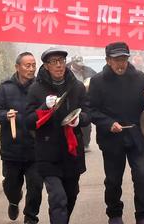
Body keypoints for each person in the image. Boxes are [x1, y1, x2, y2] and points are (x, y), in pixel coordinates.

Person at [88, 41, 144, 224]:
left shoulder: (140, 78)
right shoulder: (97, 81)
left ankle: (143, 216)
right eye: (116, 60)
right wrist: (108, 123)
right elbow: (90, 110)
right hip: (112, 138)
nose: (121, 64)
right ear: (108, 60)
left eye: (124, 59)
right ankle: (114, 214)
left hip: (137, 136)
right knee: (113, 179)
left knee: (142, 175)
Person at [25, 46, 90, 224]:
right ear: (46, 66)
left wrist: (79, 119)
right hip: (48, 152)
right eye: (54, 62)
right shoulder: (36, 89)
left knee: (71, 195)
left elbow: (88, 113)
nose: (59, 65)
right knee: (58, 198)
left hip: (71, 150)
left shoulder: (76, 87)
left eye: (61, 61)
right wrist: (43, 107)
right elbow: (28, 121)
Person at [0, 52, 43, 224]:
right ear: (17, 67)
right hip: (12, 149)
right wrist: (5, 115)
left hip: (36, 148)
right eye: (27, 65)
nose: (31, 68)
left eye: (33, 65)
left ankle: (31, 217)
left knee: (35, 185)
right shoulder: (5, 88)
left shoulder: (40, 87)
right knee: (12, 185)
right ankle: (13, 200)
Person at [68, 55, 97, 151]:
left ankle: (86, 143)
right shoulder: (66, 69)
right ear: (72, 63)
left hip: (84, 97)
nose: (79, 66)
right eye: (77, 65)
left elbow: (96, 79)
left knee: (86, 121)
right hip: (70, 97)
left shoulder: (88, 70)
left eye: (80, 64)